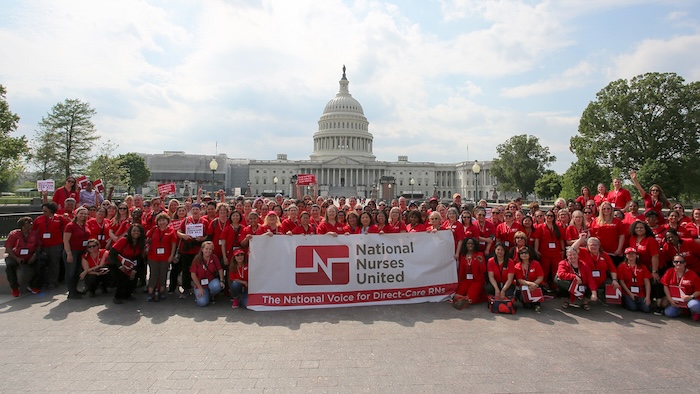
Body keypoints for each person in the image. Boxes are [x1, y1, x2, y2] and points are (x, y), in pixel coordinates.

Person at [572, 234, 619, 302]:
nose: (593, 246)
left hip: (601, 280)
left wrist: (614, 280)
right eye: (591, 245)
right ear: (587, 246)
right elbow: (573, 248)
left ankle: (603, 297)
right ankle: (586, 298)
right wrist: (581, 239)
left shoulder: (604, 254)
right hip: (587, 280)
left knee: (612, 283)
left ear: (599, 246)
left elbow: (612, 268)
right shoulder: (583, 252)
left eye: (596, 245)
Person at [32, 202, 68, 290]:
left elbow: (67, 227)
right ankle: (43, 282)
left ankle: (53, 282)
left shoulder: (59, 218)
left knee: (54, 264)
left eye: (45, 211)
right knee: (43, 264)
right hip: (43, 245)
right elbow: (33, 231)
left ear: (51, 211)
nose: (43, 212)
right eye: (43, 211)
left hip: (56, 245)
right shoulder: (38, 219)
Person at [176, 203, 209, 297]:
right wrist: (183, 236)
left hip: (199, 250)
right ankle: (186, 289)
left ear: (200, 211)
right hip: (187, 249)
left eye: (197, 210)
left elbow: (208, 235)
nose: (195, 211)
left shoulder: (204, 221)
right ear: (191, 210)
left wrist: (202, 239)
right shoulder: (186, 220)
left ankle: (200, 288)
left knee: (200, 270)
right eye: (193, 209)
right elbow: (178, 231)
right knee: (186, 270)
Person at [108, 224, 146, 304]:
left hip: (132, 263)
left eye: (138, 231)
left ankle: (127, 295)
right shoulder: (123, 240)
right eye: (134, 231)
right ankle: (117, 296)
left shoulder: (141, 242)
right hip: (118, 263)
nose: (136, 233)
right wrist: (120, 266)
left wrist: (135, 270)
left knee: (133, 277)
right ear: (130, 232)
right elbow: (112, 253)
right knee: (122, 278)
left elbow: (139, 258)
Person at [5, 217, 41, 297]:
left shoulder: (34, 234)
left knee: (41, 263)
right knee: (10, 266)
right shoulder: (14, 234)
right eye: (28, 222)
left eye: (31, 222)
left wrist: (34, 255)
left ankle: (33, 285)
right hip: (15, 256)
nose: (31, 224)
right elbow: (8, 248)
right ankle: (15, 288)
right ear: (22, 226)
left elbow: (38, 246)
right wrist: (16, 258)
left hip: (30, 256)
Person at [146, 213, 177, 302]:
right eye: (160, 220)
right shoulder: (154, 229)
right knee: (153, 275)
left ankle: (162, 292)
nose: (162, 222)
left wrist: (171, 255)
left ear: (167, 221)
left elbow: (173, 244)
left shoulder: (171, 230)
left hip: (165, 257)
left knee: (163, 274)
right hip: (153, 256)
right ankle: (150, 292)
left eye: (164, 220)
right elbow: (147, 239)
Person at [659, 254, 700, 320]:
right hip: (676, 300)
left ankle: (695, 312)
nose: (678, 263)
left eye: (681, 262)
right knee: (669, 313)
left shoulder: (692, 274)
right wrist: (670, 300)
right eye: (676, 262)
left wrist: (691, 296)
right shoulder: (669, 272)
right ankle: (683, 311)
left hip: (689, 299)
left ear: (685, 263)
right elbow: (665, 286)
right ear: (673, 263)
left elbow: (698, 290)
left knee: (694, 305)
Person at [63, 206, 91, 299]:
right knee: (71, 272)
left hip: (82, 251)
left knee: (77, 272)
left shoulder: (85, 225)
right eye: (81, 213)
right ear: (76, 214)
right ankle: (71, 292)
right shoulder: (70, 226)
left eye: (85, 213)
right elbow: (66, 240)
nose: (83, 215)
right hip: (72, 251)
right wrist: (69, 253)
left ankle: (75, 290)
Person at [534, 210, 565, 291]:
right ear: (545, 216)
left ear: (554, 217)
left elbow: (561, 239)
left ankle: (556, 287)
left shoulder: (558, 226)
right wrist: (536, 250)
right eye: (548, 215)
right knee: (545, 270)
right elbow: (537, 239)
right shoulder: (540, 227)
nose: (549, 217)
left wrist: (563, 250)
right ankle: (543, 286)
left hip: (556, 253)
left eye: (551, 216)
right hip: (545, 252)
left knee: (556, 270)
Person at [453, 238, 487, 309]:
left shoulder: (479, 254)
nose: (470, 245)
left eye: (472, 244)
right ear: (465, 245)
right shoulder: (463, 256)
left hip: (477, 280)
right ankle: (464, 298)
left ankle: (478, 296)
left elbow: (483, 271)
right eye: (468, 243)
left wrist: (481, 263)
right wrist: (460, 282)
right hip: (466, 280)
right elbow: (461, 271)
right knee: (456, 296)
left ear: (475, 245)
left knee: (471, 299)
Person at [589, 201, 626, 266]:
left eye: (608, 208)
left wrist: (619, 249)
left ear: (611, 209)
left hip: (614, 252)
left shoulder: (617, 221)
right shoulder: (595, 221)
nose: (606, 210)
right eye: (604, 209)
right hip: (600, 251)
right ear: (601, 210)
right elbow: (592, 237)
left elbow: (621, 236)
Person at [617, 247, 652, 313]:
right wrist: (630, 294)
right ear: (626, 255)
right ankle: (626, 302)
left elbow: (647, 283)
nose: (631, 255)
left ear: (636, 255)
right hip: (627, 292)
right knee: (633, 308)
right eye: (629, 254)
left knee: (646, 309)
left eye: (633, 254)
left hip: (640, 292)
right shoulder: (622, 266)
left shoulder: (642, 267)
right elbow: (621, 281)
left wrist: (647, 297)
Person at [190, 241, 225, 307]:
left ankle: (210, 295)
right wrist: (200, 288)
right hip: (200, 284)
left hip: (210, 281)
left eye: (210, 249)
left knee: (218, 285)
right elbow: (193, 274)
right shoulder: (197, 259)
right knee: (202, 303)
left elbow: (220, 269)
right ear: (202, 249)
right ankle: (202, 294)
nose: (208, 251)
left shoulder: (214, 257)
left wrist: (221, 280)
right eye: (206, 249)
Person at [514, 246, 544, 312]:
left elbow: (540, 277)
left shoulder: (536, 264)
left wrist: (534, 284)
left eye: (526, 253)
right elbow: (519, 280)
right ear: (519, 255)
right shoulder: (517, 266)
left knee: (537, 292)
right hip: (524, 285)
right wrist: (530, 284)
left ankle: (537, 304)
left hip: (536, 284)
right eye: (522, 253)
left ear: (530, 254)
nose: (524, 255)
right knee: (527, 306)